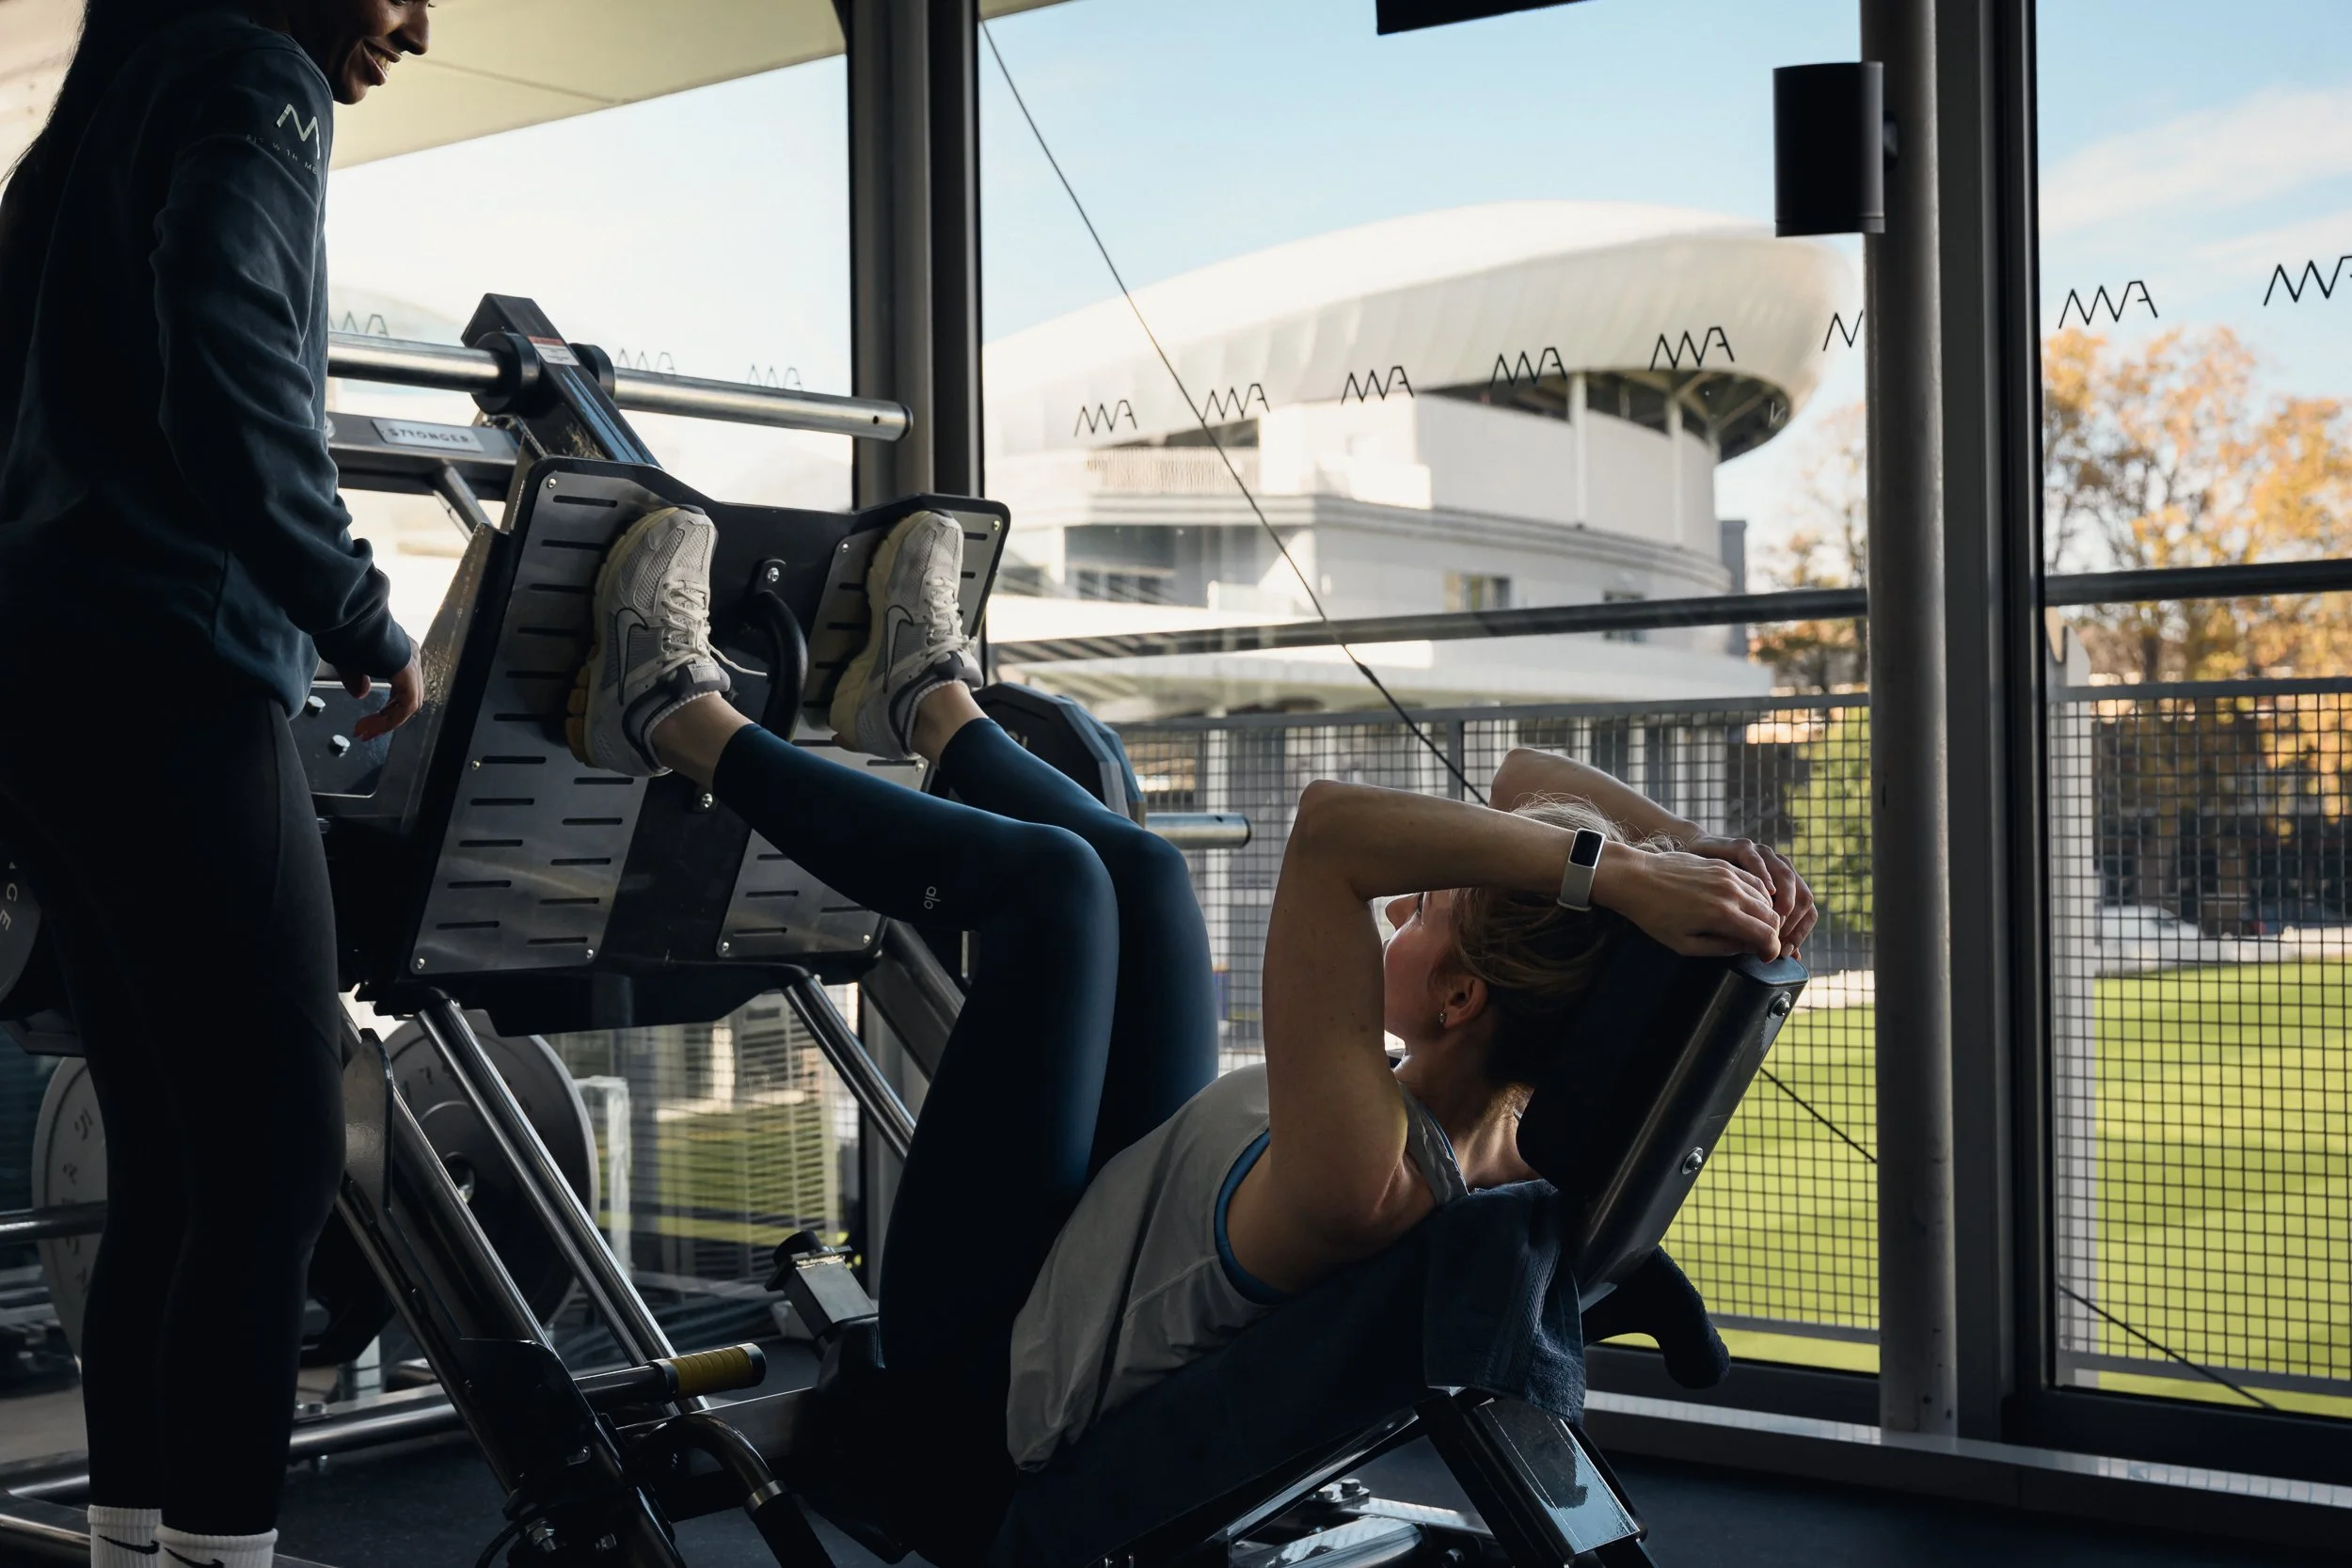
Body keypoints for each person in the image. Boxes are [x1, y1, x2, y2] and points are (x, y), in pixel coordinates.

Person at [566, 505, 1816, 1565]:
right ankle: (926, 702)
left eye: (1425, 913)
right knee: (1149, 880)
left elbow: (1332, 833)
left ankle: (667, 711)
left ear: (1459, 999)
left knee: (1055, 890)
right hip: (1105, 1234)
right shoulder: (1499, 1146)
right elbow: (1520, 778)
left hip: (977, 1400)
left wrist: (1613, 878)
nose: (1401, 915)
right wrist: (1678, 857)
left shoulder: (1363, 1169)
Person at [0, 5, 429, 1566]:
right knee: (279, 1164)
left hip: (42, 691)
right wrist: (360, 611)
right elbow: (233, 368)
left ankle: (132, 1549)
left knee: (173, 1166)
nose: (419, 27)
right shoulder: (254, 79)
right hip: (172, 673)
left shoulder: (101, 112)